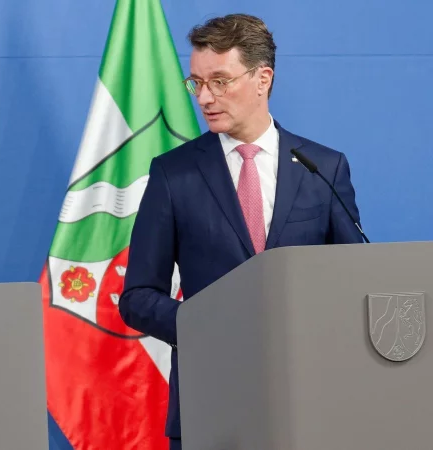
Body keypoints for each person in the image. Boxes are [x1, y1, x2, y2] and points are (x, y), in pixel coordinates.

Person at [118, 14, 364, 450]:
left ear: (262, 78)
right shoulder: (174, 174)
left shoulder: (322, 169)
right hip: (211, 398)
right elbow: (137, 297)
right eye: (196, 83)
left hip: (309, 398)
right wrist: (210, 325)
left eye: (220, 81)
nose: (205, 97)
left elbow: (354, 283)